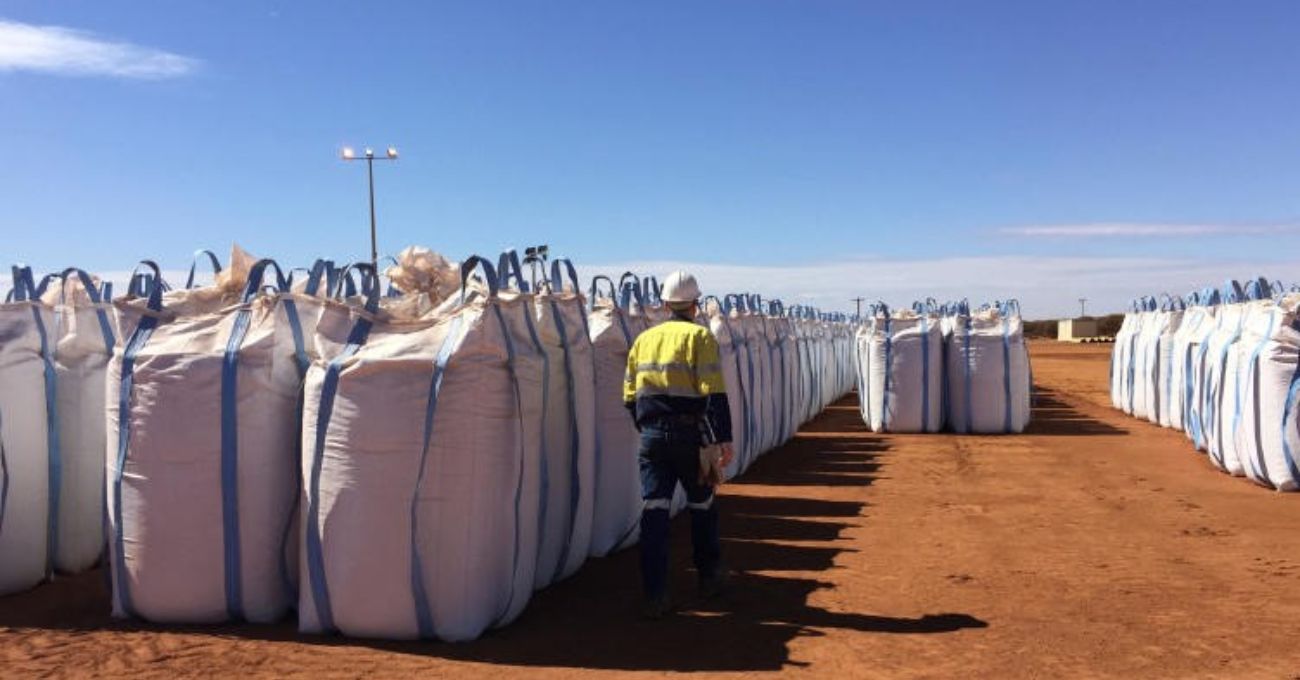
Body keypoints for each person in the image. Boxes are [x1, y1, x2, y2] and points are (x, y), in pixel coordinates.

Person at [623, 270, 734, 619]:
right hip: (692, 438)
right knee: (702, 505)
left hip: (653, 437)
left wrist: (648, 428)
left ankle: (655, 594)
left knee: (654, 512)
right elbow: (714, 392)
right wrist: (723, 438)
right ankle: (709, 577)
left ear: (664, 303)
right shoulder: (700, 337)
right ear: (695, 304)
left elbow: (629, 395)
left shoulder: (644, 339)